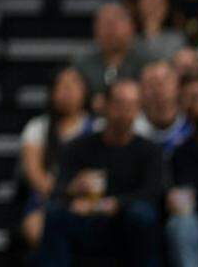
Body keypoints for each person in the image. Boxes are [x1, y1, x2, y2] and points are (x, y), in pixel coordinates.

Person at [37, 79, 163, 266]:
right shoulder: (78, 147)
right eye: (119, 104)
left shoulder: (150, 150)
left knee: (142, 215)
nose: (125, 112)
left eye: (132, 105)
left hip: (126, 221)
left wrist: (116, 203)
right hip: (87, 222)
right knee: (55, 214)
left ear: (139, 109)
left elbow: (154, 191)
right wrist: (73, 188)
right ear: (105, 105)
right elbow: (57, 190)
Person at [19, 67, 94, 249]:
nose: (66, 92)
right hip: (47, 199)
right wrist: (65, 191)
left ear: (85, 91)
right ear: (51, 92)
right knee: (36, 228)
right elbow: (34, 174)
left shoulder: (98, 126)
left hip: (90, 199)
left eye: (73, 85)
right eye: (61, 86)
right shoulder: (38, 127)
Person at [168, 79, 198, 267]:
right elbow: (186, 202)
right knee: (181, 224)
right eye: (184, 99)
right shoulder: (181, 152)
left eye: (195, 98)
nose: (190, 105)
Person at [73, 1, 150, 107]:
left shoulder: (148, 63)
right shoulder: (82, 65)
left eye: (115, 23)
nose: (110, 30)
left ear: (131, 27)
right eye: (104, 23)